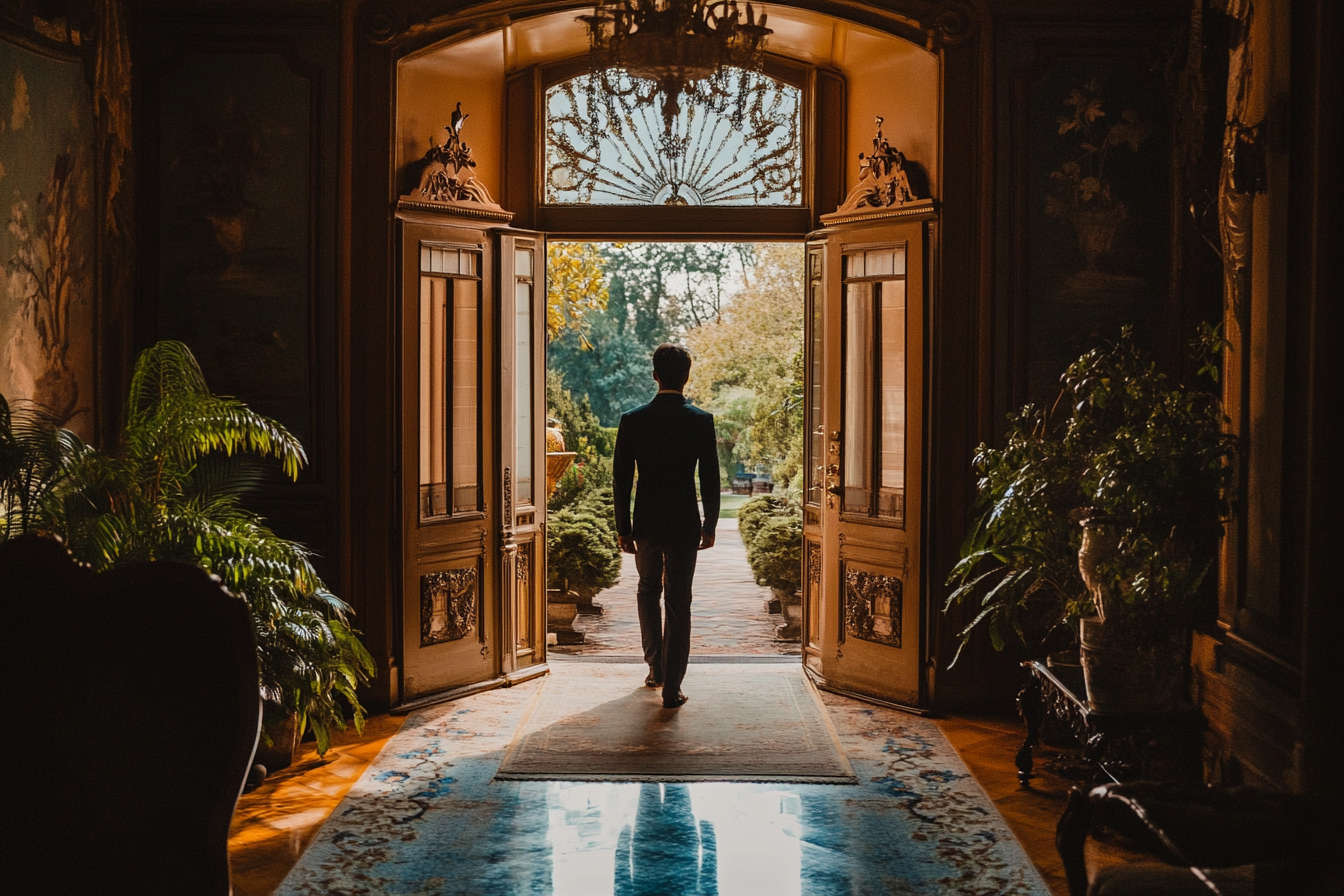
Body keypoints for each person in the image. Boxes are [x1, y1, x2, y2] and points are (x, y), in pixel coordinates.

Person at [613, 344, 720, 709]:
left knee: (647, 590)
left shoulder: (633, 420)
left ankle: (654, 667)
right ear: (686, 376)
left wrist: (623, 528)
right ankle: (672, 686)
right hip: (684, 522)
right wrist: (710, 525)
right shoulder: (700, 420)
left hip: (646, 522)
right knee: (679, 599)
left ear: (654, 374)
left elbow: (621, 481)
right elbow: (710, 479)